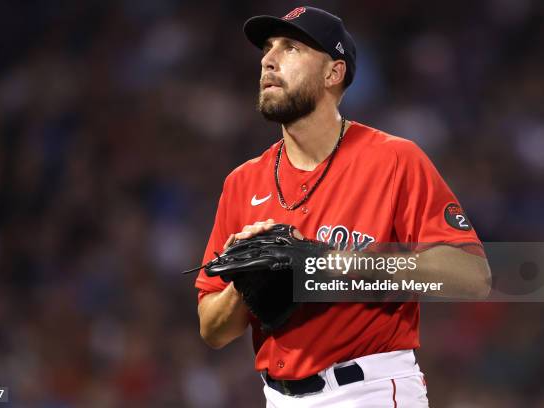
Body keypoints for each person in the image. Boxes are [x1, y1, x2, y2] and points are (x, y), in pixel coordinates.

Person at [194, 6, 491, 407]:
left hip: (369, 390)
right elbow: (213, 331)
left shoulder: (394, 160)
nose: (268, 59)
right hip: (277, 398)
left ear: (333, 73)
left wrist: (334, 263)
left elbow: (472, 278)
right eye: (268, 48)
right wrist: (245, 287)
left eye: (291, 48)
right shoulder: (242, 182)